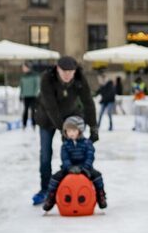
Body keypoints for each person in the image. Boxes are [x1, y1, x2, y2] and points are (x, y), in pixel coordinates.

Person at [31, 56, 98, 207]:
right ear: (57, 68)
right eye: (64, 71)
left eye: (70, 72)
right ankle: (45, 189)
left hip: (70, 115)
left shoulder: (80, 78)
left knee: (78, 150)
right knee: (45, 154)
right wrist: (63, 130)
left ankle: (80, 184)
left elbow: (88, 102)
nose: (67, 75)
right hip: (47, 118)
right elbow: (51, 107)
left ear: (75, 71)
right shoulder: (47, 78)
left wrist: (93, 127)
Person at [42, 115, 107, 211]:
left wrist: (85, 167)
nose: (71, 133)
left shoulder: (87, 143)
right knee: (55, 177)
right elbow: (65, 158)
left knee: (97, 176)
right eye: (68, 131)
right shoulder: (65, 145)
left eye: (73, 130)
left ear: (80, 131)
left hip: (85, 167)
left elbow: (90, 156)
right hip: (69, 168)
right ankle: (51, 197)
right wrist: (69, 167)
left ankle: (100, 196)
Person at [19, 63, 40, 129]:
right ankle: (24, 124)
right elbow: (21, 86)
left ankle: (33, 124)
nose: (23, 69)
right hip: (26, 96)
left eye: (24, 67)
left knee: (33, 110)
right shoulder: (23, 76)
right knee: (25, 110)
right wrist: (21, 94)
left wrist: (35, 94)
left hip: (33, 96)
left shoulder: (35, 75)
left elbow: (37, 85)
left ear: (28, 67)